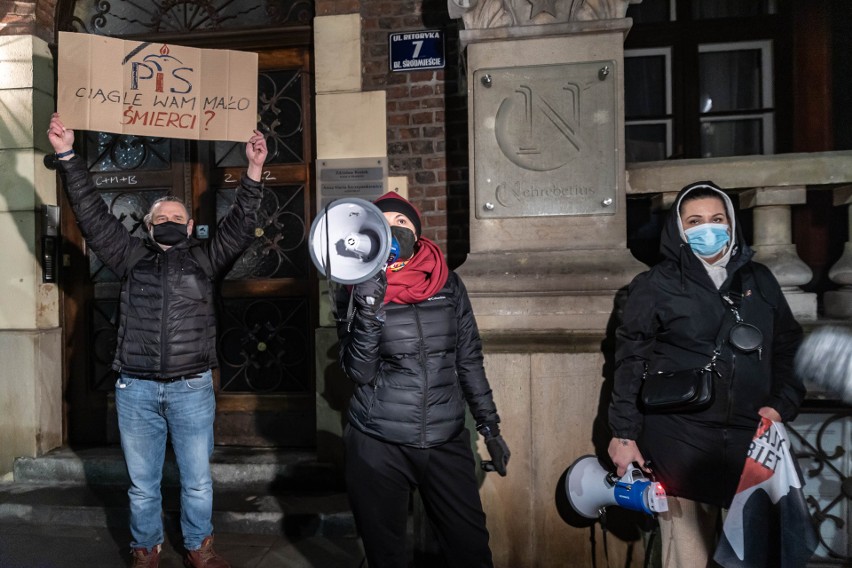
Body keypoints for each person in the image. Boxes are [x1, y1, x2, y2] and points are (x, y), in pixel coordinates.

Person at [48, 113, 267, 568]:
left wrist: (253, 171)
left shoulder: (206, 262)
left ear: (189, 229)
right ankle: (146, 548)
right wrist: (68, 155)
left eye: (177, 217)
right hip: (137, 390)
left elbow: (241, 225)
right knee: (142, 482)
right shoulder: (129, 258)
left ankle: (198, 547)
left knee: (197, 481)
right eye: (161, 216)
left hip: (191, 388)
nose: (169, 220)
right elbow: (91, 213)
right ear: (149, 227)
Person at [607, 181, 805, 567]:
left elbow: (788, 345)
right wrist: (623, 434)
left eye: (717, 219)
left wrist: (783, 404)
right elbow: (629, 361)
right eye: (694, 221)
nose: (707, 228)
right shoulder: (654, 286)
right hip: (680, 442)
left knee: (752, 555)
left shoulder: (759, 280)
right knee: (688, 558)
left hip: (752, 444)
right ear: (679, 230)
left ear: (732, 223)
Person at [335, 192, 510, 568]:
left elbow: (468, 358)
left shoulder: (449, 284)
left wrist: (489, 425)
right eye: (386, 224)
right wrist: (368, 306)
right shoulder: (355, 285)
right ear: (373, 235)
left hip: (444, 439)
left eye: (403, 223)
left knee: (471, 550)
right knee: (387, 556)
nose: (396, 229)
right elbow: (358, 371)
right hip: (379, 441)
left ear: (417, 231)